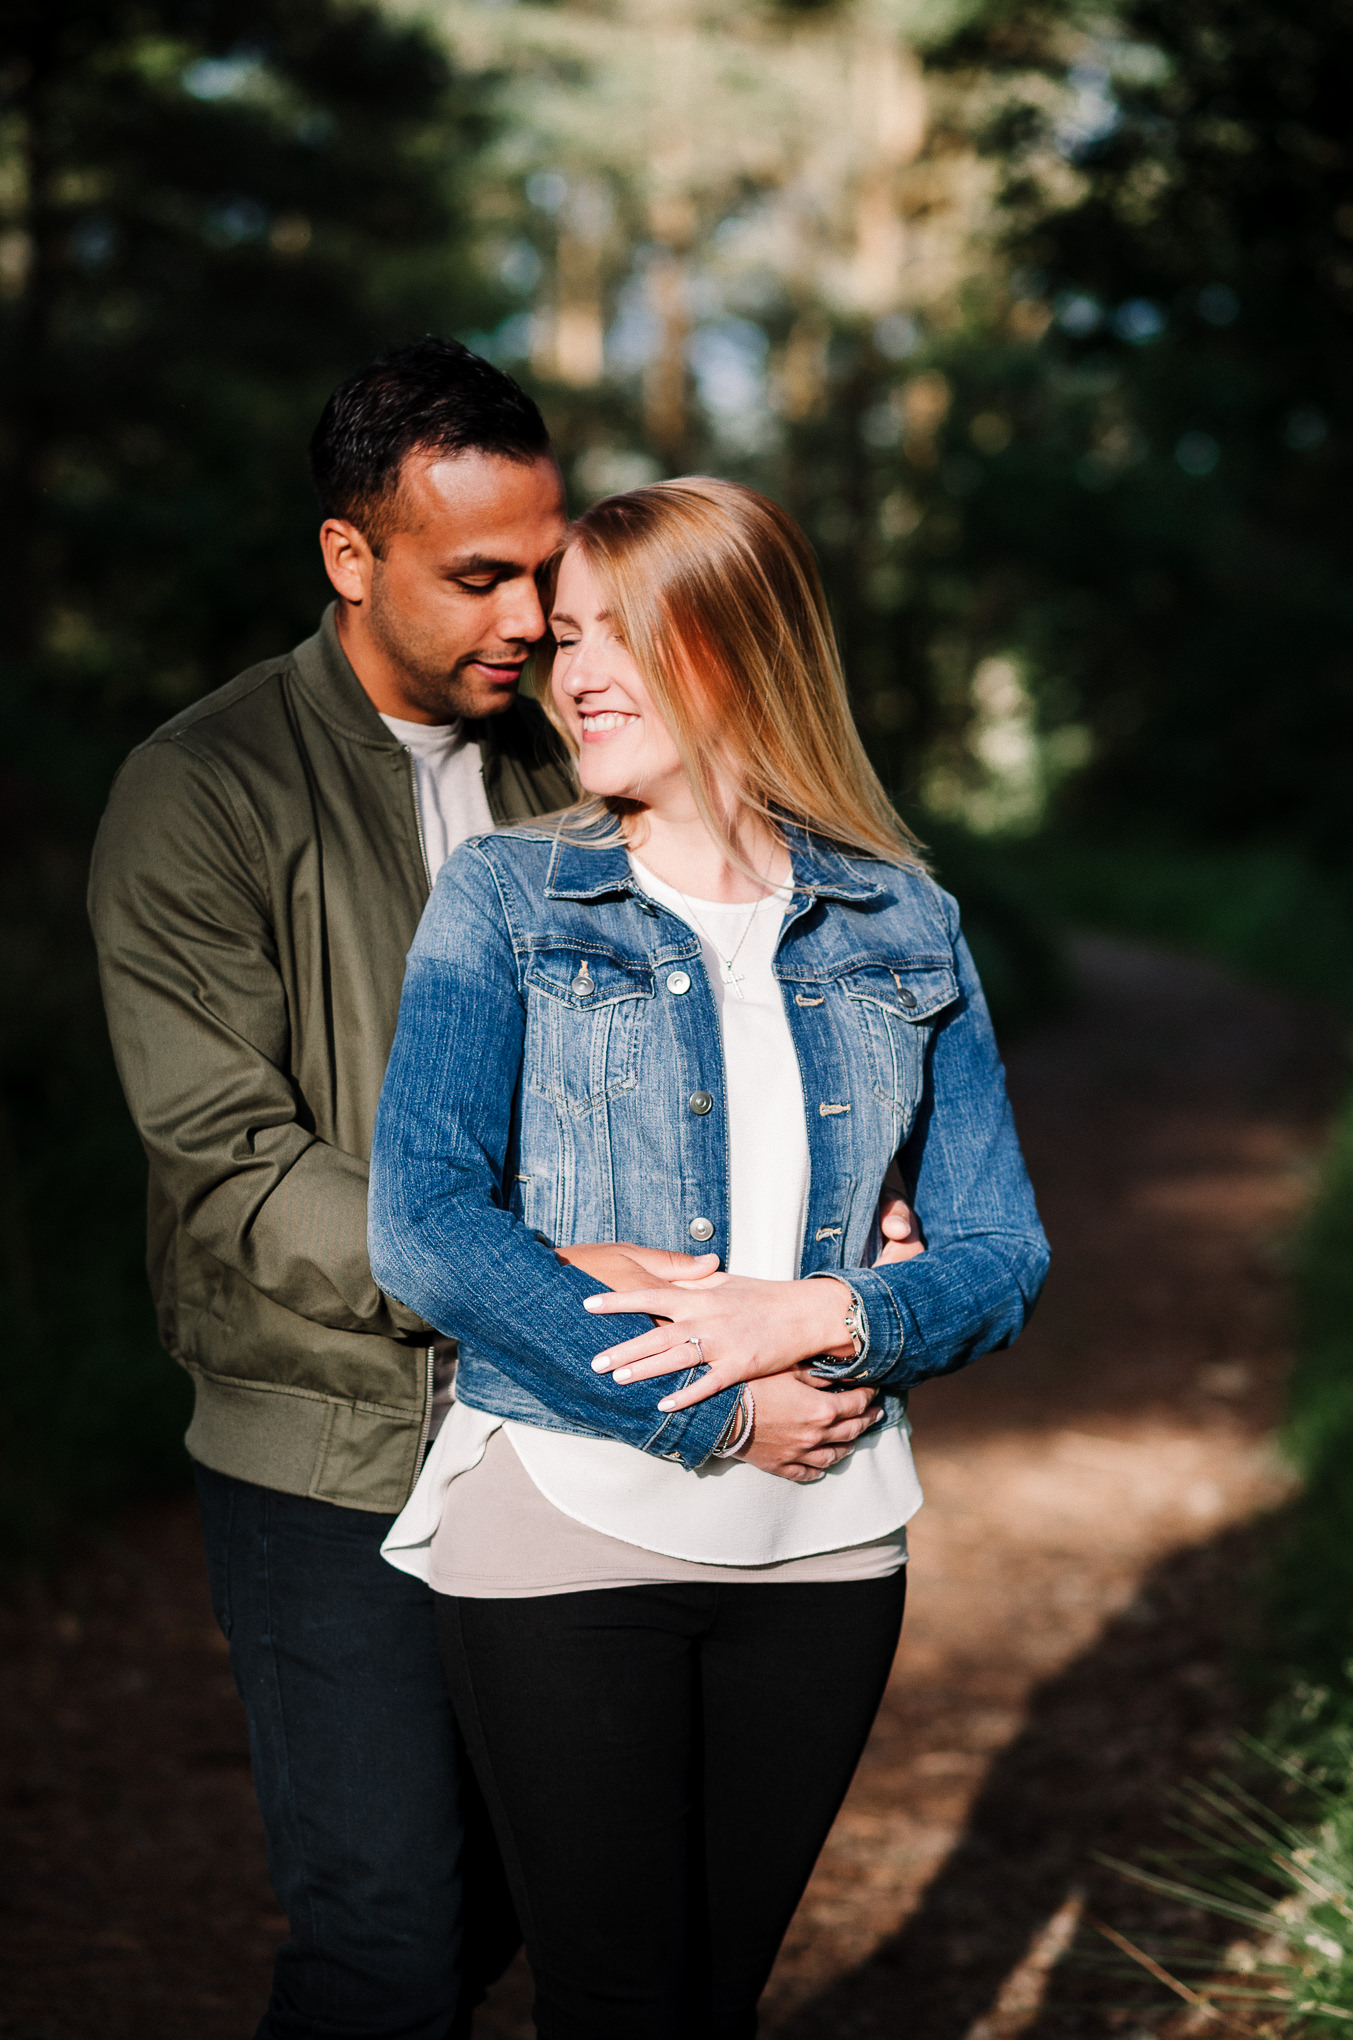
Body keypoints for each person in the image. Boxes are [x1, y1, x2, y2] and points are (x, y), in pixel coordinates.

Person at [91, 340, 869, 2040]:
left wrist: (844, 1206)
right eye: (480, 577)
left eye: (545, 572)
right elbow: (227, 1159)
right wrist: (498, 1268)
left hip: (573, 1437)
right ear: (348, 560)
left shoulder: (567, 765)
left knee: (551, 1910)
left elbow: (725, 1018)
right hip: (335, 1446)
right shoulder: (204, 790)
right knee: (388, 1937)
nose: (530, 619)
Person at [367, 476, 1051, 2038]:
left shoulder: (906, 922)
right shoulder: (511, 897)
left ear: (738, 648)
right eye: (566, 638)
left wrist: (819, 1311)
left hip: (824, 1544)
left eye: (621, 633)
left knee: (712, 2003)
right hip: (563, 1518)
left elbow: (1004, 1251)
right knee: (614, 2002)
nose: (571, 669)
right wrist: (723, 1407)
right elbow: (424, 1226)